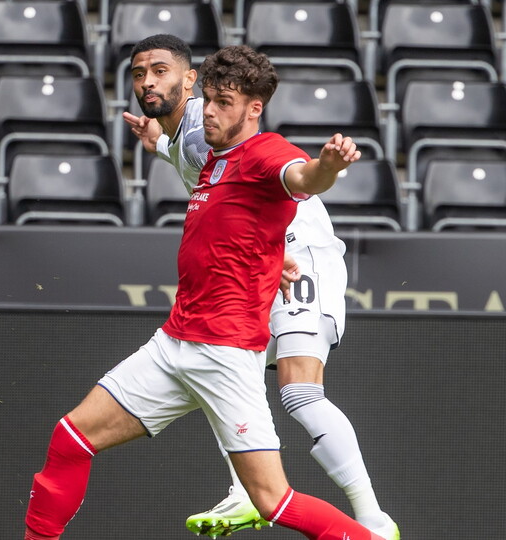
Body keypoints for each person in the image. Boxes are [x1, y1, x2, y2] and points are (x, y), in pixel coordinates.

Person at [23, 43, 384, 540]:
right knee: (70, 438)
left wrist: (328, 166)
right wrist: (264, 253)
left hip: (225, 350)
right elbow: (233, 213)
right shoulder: (211, 156)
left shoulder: (263, 151)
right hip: (173, 343)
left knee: (279, 491)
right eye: (209, 100)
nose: (210, 111)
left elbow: (302, 177)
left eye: (223, 102)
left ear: (252, 108)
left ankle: (369, 527)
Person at [123, 35, 400, 540]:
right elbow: (205, 180)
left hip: (301, 252)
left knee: (298, 392)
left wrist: (293, 224)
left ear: (188, 80)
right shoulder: (189, 132)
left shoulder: (203, 129)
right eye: (139, 74)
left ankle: (372, 520)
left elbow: (295, 177)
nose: (148, 82)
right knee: (222, 367)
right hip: (263, 261)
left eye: (160, 72)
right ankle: (243, 492)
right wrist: (157, 143)